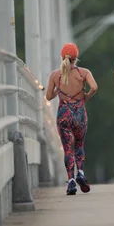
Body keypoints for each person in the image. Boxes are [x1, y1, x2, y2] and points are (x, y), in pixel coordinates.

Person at [46, 43, 98, 195]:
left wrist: (58, 89)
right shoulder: (84, 72)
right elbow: (94, 87)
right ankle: (80, 173)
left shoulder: (56, 75)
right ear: (76, 57)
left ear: (62, 57)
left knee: (68, 149)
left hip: (64, 114)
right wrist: (86, 97)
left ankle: (71, 182)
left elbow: (48, 96)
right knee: (79, 145)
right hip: (80, 113)